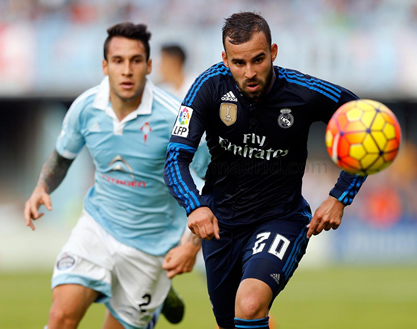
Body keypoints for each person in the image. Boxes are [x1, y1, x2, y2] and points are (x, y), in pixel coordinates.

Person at [163, 12, 367, 329]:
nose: (250, 72)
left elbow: (364, 124)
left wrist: (340, 195)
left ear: (273, 52)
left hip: (280, 218)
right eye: (239, 63)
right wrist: (195, 207)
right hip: (221, 224)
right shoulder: (208, 87)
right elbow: (175, 157)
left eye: (258, 60)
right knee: (233, 322)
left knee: (250, 303)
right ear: (225, 59)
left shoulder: (302, 92)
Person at [24, 22, 207, 329]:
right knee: (60, 317)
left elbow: (209, 182)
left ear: (149, 66)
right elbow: (62, 156)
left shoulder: (175, 116)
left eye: (135, 61)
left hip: (152, 245)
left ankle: (156, 299)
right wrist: (42, 186)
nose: (127, 70)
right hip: (98, 227)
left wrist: (190, 245)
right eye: (118, 61)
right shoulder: (85, 107)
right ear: (105, 66)